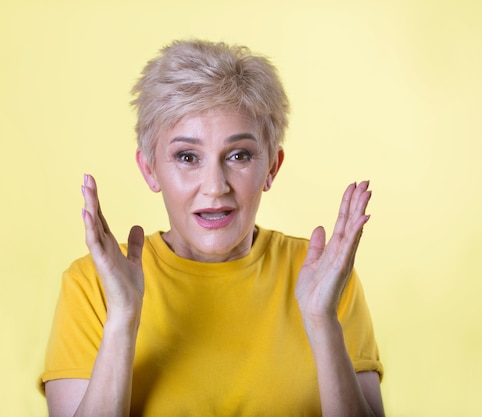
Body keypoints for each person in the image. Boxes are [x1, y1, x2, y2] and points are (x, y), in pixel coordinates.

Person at [40, 39, 384, 417]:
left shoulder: (328, 279)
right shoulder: (91, 286)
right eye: (187, 157)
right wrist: (121, 319)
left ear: (271, 167)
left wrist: (323, 323)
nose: (215, 186)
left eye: (239, 155)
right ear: (150, 169)